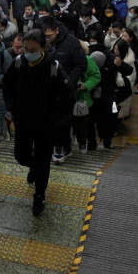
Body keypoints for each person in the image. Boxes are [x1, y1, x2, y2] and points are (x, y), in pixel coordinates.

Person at [3, 29, 75, 215]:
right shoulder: (18, 63)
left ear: (43, 48)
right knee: (21, 156)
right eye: (25, 48)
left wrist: (58, 120)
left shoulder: (54, 67)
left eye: (33, 49)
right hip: (23, 121)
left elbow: (69, 97)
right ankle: (32, 167)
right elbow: (8, 86)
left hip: (46, 125)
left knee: (43, 161)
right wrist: (12, 106)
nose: (28, 52)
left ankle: (39, 195)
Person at [39, 16, 85, 164]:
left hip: (65, 91)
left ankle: (59, 149)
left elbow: (81, 65)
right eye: (43, 36)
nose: (46, 39)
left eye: (49, 36)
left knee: (62, 123)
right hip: (46, 89)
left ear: (57, 30)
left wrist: (68, 82)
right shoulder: (39, 42)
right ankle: (60, 146)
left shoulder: (71, 42)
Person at [73, 53, 101, 154]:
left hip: (83, 98)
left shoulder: (86, 59)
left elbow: (96, 75)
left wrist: (86, 85)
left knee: (83, 123)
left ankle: (83, 142)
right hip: (63, 97)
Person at [113, 39, 136, 124]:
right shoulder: (112, 57)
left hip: (122, 90)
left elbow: (131, 75)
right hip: (114, 90)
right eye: (115, 48)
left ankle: (116, 126)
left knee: (118, 110)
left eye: (118, 49)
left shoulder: (128, 61)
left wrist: (120, 66)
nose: (116, 51)